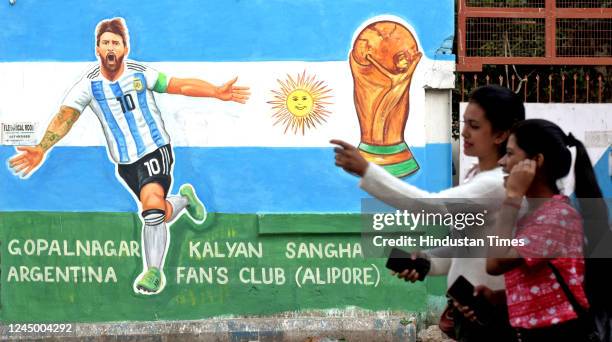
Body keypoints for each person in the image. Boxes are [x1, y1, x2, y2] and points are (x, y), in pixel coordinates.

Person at [7, 17, 251, 295]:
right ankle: (183, 200)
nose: (111, 47)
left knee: (152, 206)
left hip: (154, 150)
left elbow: (177, 85)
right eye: (105, 43)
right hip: (125, 164)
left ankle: (153, 272)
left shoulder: (139, 73)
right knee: (156, 212)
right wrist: (42, 147)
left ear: (124, 48)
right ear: (97, 49)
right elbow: (66, 116)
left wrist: (216, 92)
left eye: (116, 42)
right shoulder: (88, 85)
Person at [332, 85, 525, 341]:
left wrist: (368, 170)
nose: (465, 132)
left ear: (500, 135)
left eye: (475, 126)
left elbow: (428, 207)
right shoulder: (480, 179)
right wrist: (426, 263)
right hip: (470, 315)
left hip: (489, 320)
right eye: (464, 122)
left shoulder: (494, 184)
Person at [485, 119, 606, 341]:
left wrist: (512, 197)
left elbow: (495, 262)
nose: (502, 162)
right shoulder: (536, 217)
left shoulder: (556, 218)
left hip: (559, 334)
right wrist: (496, 298)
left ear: (536, 161)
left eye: (510, 154)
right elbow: (543, 286)